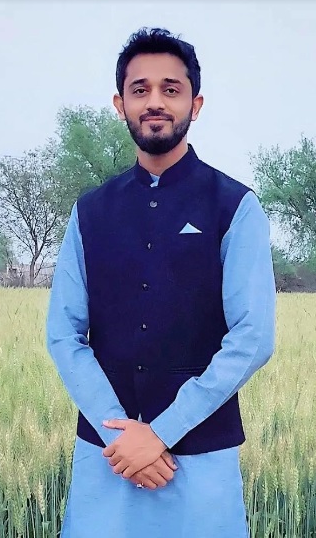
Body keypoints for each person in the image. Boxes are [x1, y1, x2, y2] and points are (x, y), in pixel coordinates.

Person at [46, 27, 276, 538]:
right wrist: (123, 436)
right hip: (108, 457)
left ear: (196, 104)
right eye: (140, 89)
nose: (155, 102)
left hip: (201, 459)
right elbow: (63, 335)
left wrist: (161, 433)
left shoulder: (235, 207)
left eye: (171, 89)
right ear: (120, 104)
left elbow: (253, 338)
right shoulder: (90, 212)